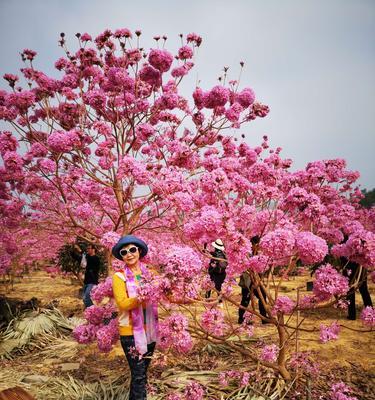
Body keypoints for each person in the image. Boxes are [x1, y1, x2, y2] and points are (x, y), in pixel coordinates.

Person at [112, 235, 158, 400]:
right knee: (138, 375)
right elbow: (123, 303)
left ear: (139, 251)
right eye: (124, 252)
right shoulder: (119, 277)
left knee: (142, 373)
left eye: (132, 249)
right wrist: (142, 296)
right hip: (130, 332)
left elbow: (162, 294)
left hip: (150, 330)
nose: (129, 254)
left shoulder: (150, 273)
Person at [238, 236, 269, 324]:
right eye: (258, 245)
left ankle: (263, 317)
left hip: (256, 281)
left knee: (262, 296)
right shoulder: (247, 253)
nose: (260, 247)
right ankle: (241, 318)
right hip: (247, 281)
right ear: (254, 244)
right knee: (245, 300)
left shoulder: (256, 253)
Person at [72, 243, 100, 308]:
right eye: (87, 248)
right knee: (84, 300)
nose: (87, 250)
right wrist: (72, 250)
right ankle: (90, 312)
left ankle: (93, 311)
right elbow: (78, 258)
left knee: (86, 298)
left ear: (93, 250)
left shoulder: (96, 258)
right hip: (86, 282)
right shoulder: (86, 258)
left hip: (92, 282)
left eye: (89, 248)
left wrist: (80, 251)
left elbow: (89, 259)